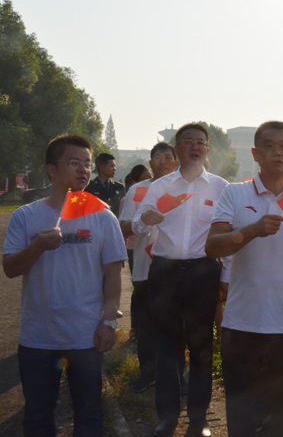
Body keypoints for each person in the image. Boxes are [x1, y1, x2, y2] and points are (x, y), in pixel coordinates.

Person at [205, 121, 283, 437]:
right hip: (242, 323)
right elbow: (212, 246)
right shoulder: (236, 193)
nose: (277, 152)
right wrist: (250, 231)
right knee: (241, 414)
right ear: (255, 154)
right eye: (269, 146)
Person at [3, 134, 127, 437]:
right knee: (37, 417)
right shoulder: (25, 216)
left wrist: (108, 323)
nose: (83, 169)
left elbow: (113, 276)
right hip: (38, 337)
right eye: (74, 163)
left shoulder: (103, 217)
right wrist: (38, 247)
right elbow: (10, 269)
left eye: (87, 163)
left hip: (85, 336)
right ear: (51, 169)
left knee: (89, 413)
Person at [132, 123, 230, 437]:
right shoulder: (160, 187)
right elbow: (138, 227)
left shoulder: (221, 187)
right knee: (166, 347)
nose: (195, 146)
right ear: (177, 150)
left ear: (207, 150)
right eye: (188, 141)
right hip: (165, 272)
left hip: (204, 271)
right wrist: (144, 219)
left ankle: (198, 419)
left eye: (200, 142)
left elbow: (227, 235)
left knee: (201, 347)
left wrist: (226, 276)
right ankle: (167, 417)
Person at [120, 143, 186, 394]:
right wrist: (141, 221)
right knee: (147, 326)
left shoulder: (185, 188)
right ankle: (147, 374)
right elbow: (123, 226)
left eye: (168, 157)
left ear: (176, 162)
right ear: (150, 163)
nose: (163, 161)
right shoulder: (137, 190)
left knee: (176, 326)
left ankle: (178, 375)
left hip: (176, 269)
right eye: (157, 157)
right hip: (145, 268)